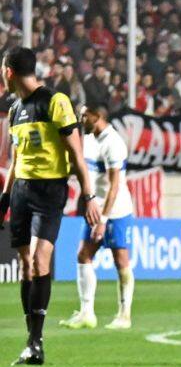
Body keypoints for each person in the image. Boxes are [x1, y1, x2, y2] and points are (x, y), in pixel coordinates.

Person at [0, 47, 101, 366]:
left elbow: (77, 154)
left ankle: (36, 341)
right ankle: (31, 340)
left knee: (41, 259)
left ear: (10, 72)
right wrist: (5, 196)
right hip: (22, 191)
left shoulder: (55, 102)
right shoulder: (15, 109)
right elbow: (15, 160)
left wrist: (89, 197)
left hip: (49, 191)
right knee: (27, 264)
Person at [60, 103, 136, 330]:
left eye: (84, 115)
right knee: (83, 255)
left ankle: (124, 315)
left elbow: (115, 187)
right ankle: (87, 313)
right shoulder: (91, 139)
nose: (81, 119)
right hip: (96, 209)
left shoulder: (114, 143)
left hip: (116, 211)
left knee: (120, 260)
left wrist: (103, 220)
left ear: (98, 115)